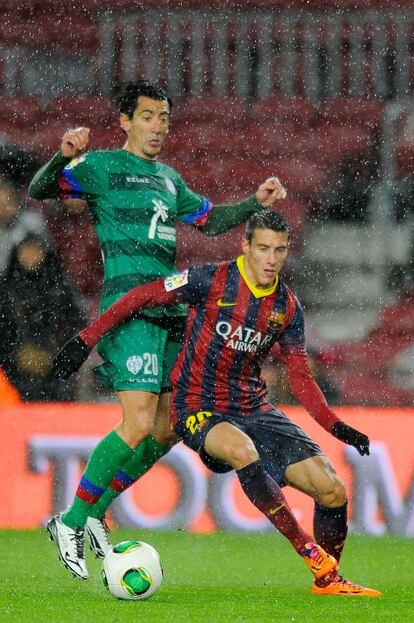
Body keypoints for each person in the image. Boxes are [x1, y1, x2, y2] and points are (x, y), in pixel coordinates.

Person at [29, 80, 287, 573]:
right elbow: (41, 189)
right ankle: (70, 520)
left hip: (171, 309)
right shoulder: (101, 166)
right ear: (125, 121)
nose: (157, 127)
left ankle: (95, 513)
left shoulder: (170, 179)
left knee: (170, 427)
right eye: (148, 116)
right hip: (129, 309)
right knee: (139, 422)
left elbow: (209, 220)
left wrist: (253, 203)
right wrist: (63, 155)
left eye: (164, 118)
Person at [52, 211, 380, 597]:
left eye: (279, 250)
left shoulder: (287, 308)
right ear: (245, 246)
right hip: (196, 405)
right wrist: (86, 339)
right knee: (242, 450)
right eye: (262, 249)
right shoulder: (210, 279)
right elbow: (143, 296)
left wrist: (335, 426)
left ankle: (328, 580)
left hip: (253, 407)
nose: (271, 259)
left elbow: (300, 376)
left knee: (333, 489)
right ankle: (308, 552)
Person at [0, 233, 85, 401]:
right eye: (26, 251)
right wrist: (17, 354)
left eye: (36, 251)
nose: (31, 257)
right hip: (14, 368)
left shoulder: (59, 285)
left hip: (55, 365)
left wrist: (55, 354)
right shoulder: (6, 288)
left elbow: (77, 323)